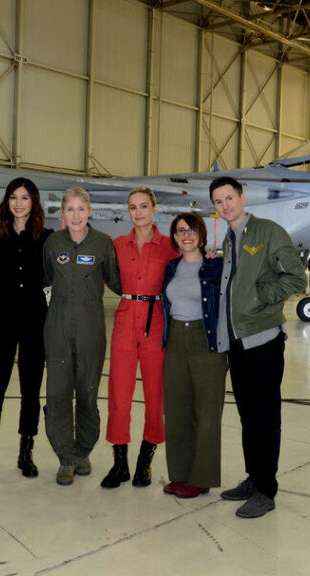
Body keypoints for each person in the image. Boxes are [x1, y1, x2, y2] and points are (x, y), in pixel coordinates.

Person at [210, 176, 307, 519]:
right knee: (248, 416)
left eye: (229, 198)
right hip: (237, 342)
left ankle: (266, 490)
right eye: (219, 202)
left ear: (241, 197)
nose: (225, 206)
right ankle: (253, 478)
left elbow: (296, 278)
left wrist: (260, 297)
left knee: (265, 417)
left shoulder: (268, 231)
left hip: (263, 340)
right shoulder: (230, 238)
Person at [0, 177, 52, 479]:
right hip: (3, 321)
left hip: (35, 321)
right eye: (14, 198)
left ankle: (26, 452)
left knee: (31, 390)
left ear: (34, 203)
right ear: (7, 202)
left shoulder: (46, 238)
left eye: (25, 198)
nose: (19, 203)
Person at [43, 187, 121, 486]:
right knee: (58, 392)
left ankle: (83, 451)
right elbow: (43, 276)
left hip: (91, 324)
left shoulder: (102, 243)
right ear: (62, 213)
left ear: (90, 211)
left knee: (87, 392)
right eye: (70, 209)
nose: (75, 215)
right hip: (58, 323)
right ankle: (65, 457)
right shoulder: (53, 243)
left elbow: (118, 281)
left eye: (81, 208)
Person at [101, 187, 178, 489]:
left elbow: (189, 266)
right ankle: (119, 462)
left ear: (154, 208)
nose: (138, 212)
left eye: (144, 206)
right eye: (133, 207)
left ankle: (145, 461)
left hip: (155, 318)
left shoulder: (169, 246)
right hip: (125, 317)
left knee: (155, 394)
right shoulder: (117, 245)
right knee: (119, 391)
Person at [160, 213, 227, 499]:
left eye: (191, 230)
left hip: (206, 341)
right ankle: (180, 474)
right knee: (176, 411)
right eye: (179, 231)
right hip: (175, 340)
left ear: (201, 234)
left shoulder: (216, 265)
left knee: (207, 413)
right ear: (174, 237)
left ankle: (201, 478)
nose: (185, 235)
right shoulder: (171, 267)